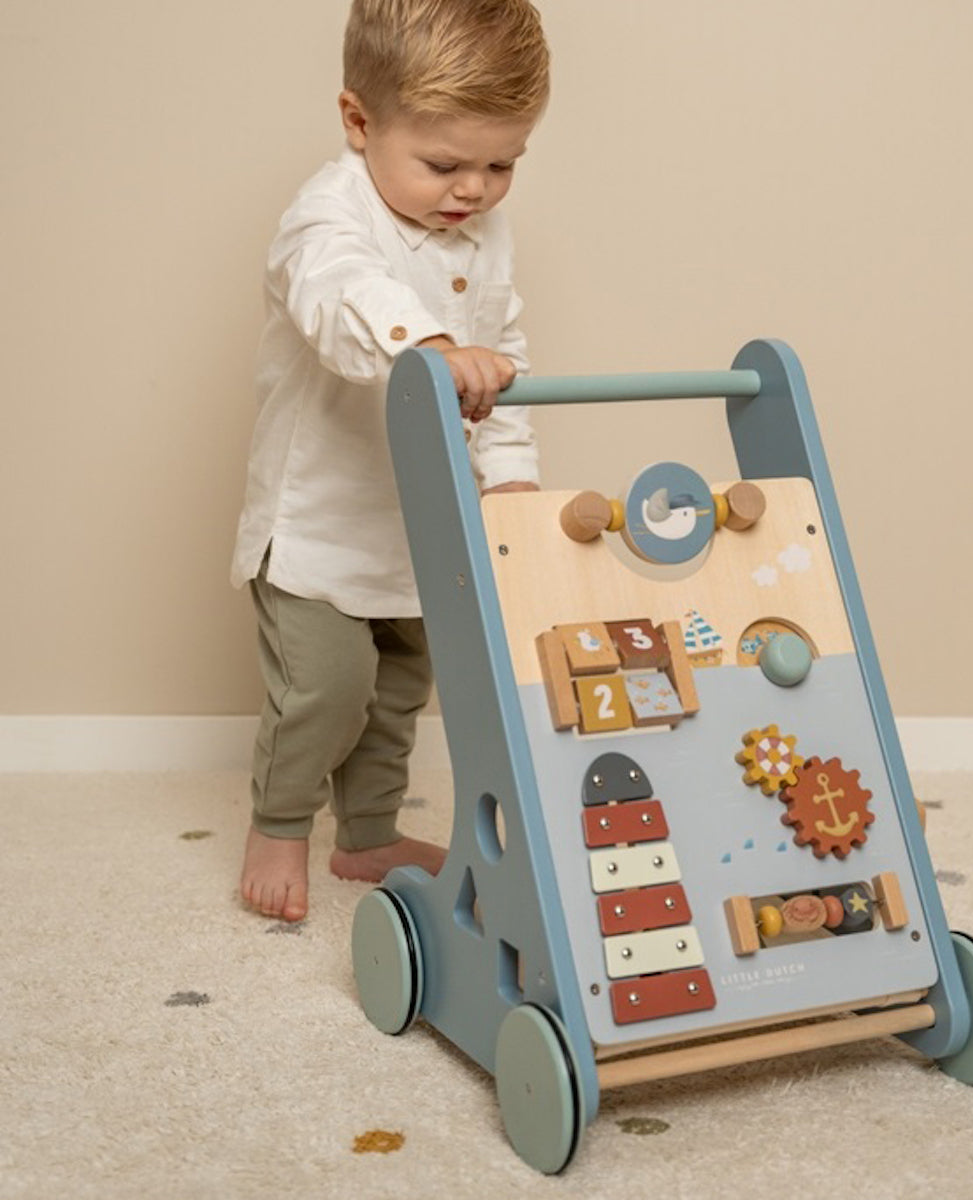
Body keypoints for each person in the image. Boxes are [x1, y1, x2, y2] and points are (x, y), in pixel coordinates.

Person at [231, 0, 549, 922]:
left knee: (401, 689)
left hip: (418, 517)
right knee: (329, 688)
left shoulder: (483, 233)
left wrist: (512, 475)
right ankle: (279, 824)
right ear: (359, 122)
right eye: (446, 164)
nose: (475, 190)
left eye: (502, 165)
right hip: (320, 521)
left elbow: (505, 360)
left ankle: (366, 834)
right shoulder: (325, 218)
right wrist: (435, 343)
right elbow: (341, 302)